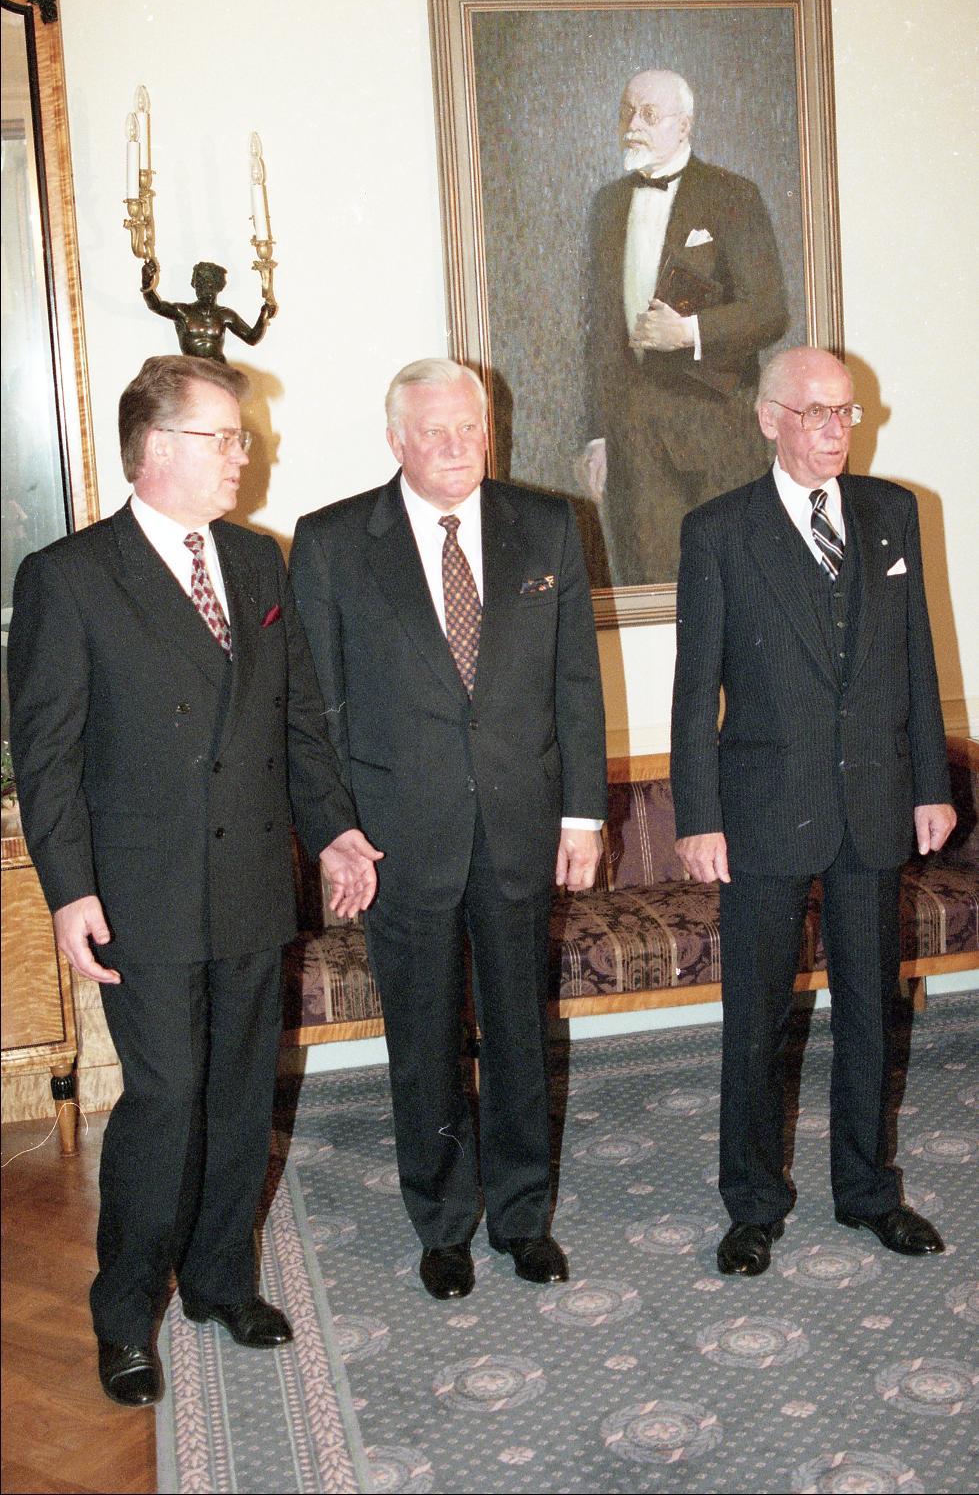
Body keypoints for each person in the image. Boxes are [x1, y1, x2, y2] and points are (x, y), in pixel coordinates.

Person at [8, 355, 381, 1407]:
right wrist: (69, 891)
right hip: (145, 890)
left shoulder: (258, 562)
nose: (243, 454)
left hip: (253, 880)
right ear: (156, 447)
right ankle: (125, 1312)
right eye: (223, 437)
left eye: (239, 436)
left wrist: (335, 831)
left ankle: (220, 1282)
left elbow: (295, 719)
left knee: (238, 1091)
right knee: (167, 1098)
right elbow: (47, 755)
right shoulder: (71, 576)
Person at [290, 358, 607, 1300]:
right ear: (396, 440)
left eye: (470, 427)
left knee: (519, 1034)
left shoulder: (546, 525)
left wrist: (582, 813)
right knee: (422, 1041)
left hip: (519, 827)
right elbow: (313, 710)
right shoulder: (334, 542)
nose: (457, 446)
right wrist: (335, 830)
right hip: (398, 839)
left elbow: (576, 684)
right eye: (434, 431)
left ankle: (521, 1218)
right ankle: (440, 1225)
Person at [670, 345, 956, 1277]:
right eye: (816, 412)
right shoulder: (719, 531)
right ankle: (752, 1205)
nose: (835, 430)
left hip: (873, 804)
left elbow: (916, 659)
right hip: (761, 810)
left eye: (846, 412)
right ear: (768, 419)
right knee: (757, 1021)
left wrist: (929, 784)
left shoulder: (890, 512)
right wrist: (697, 815)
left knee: (872, 1012)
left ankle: (869, 1192)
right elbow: (693, 689)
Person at [581, 68, 788, 585]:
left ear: (684, 125)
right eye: (627, 113)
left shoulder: (732, 195)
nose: (634, 125)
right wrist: (599, 435)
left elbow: (769, 312)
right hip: (635, 447)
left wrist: (689, 332)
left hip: (717, 441)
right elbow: (600, 332)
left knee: (730, 589)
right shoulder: (607, 205)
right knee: (648, 588)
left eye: (649, 115)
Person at [140, 258, 275, 360]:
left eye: (211, 285)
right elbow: (156, 306)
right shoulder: (183, 311)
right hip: (192, 371)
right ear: (195, 286)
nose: (206, 290)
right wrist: (146, 283)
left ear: (219, 287)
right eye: (201, 285)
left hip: (218, 371)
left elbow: (252, 338)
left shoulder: (225, 315)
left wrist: (264, 315)